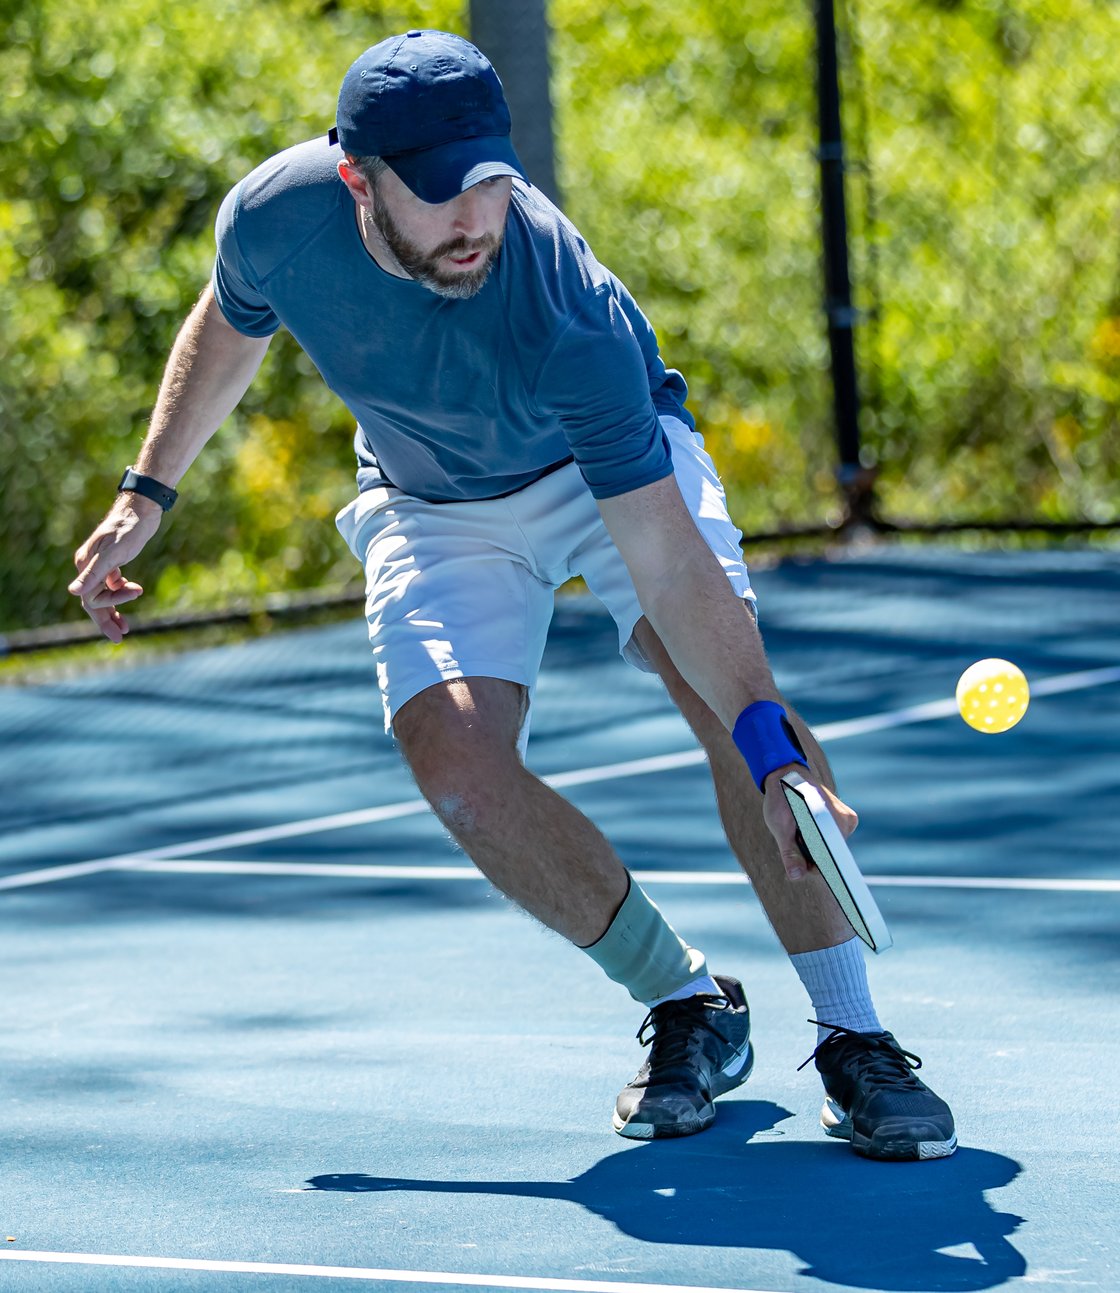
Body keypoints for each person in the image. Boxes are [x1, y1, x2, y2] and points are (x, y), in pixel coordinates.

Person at [69, 29, 955, 1160]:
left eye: (489, 181)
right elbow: (231, 319)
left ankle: (855, 1037)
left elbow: (669, 562)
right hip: (430, 493)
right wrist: (149, 489)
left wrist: (770, 745)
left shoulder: (557, 300)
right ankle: (688, 1002)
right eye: (438, 196)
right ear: (358, 179)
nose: (472, 218)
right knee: (460, 772)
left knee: (730, 720)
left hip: (602, 470)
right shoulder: (274, 219)